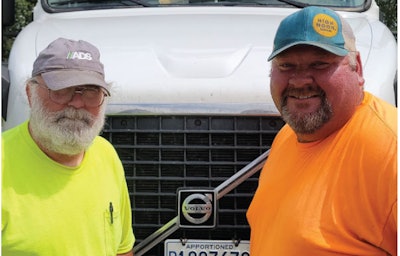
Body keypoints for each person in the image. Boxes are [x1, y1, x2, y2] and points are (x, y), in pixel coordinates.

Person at [247, 6, 397, 256]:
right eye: (286, 66)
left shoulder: (390, 150)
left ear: (357, 67)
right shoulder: (287, 137)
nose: (299, 80)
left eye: (319, 64)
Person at [2, 38, 135, 256]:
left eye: (91, 91)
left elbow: (122, 249)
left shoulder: (106, 154)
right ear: (30, 93)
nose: (77, 103)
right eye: (61, 90)